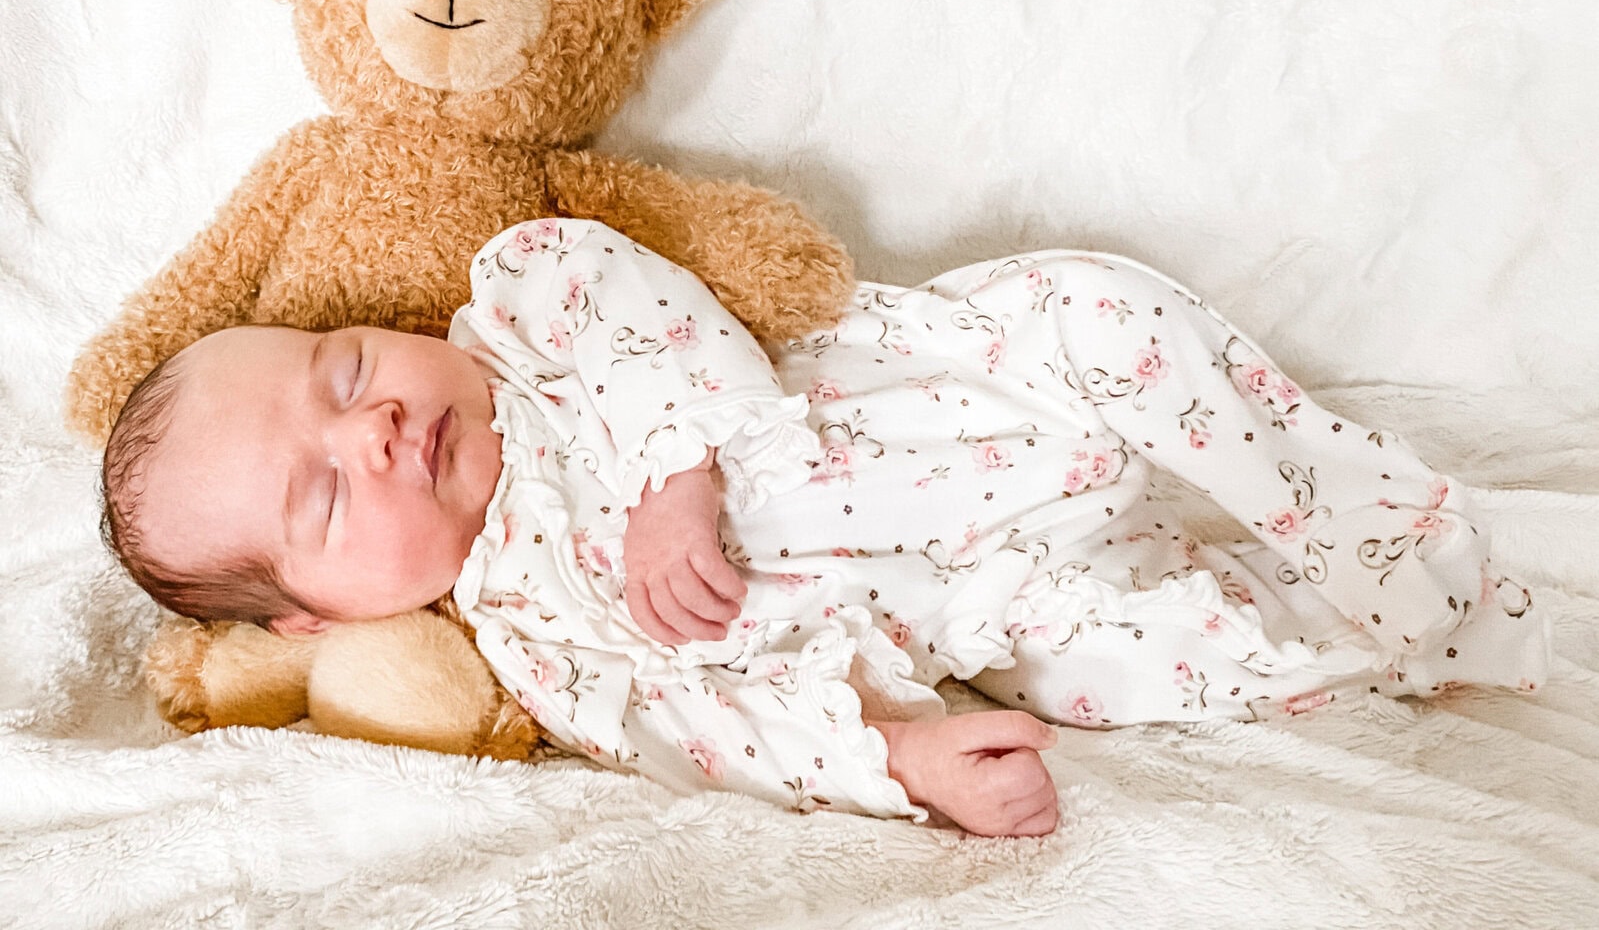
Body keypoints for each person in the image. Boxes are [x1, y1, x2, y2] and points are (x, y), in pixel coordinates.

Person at [99, 219, 1551, 838]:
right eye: (324, 495)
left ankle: (1382, 537)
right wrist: (899, 764)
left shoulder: (523, 313)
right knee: (1149, 667)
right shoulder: (539, 643)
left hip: (994, 376)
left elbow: (622, 287)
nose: (370, 429)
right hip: (1002, 596)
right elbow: (704, 738)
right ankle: (1419, 633)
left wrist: (675, 469)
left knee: (1114, 316)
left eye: (342, 369)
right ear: (313, 616)